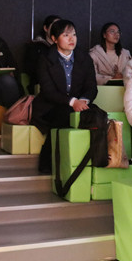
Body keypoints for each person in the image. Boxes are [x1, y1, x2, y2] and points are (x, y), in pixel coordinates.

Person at [31, 19, 98, 172]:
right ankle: (50, 164)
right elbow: (48, 91)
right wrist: (73, 102)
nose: (71, 39)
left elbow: (92, 87)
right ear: (54, 39)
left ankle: (94, 160)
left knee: (98, 115)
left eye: (74, 34)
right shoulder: (45, 58)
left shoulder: (84, 58)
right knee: (64, 115)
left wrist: (83, 100)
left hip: (79, 104)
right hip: (50, 106)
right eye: (66, 35)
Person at [24, 15, 60, 95]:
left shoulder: (65, 47)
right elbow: (30, 69)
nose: (57, 29)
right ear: (45, 28)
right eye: (54, 26)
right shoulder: (35, 46)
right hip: (41, 84)